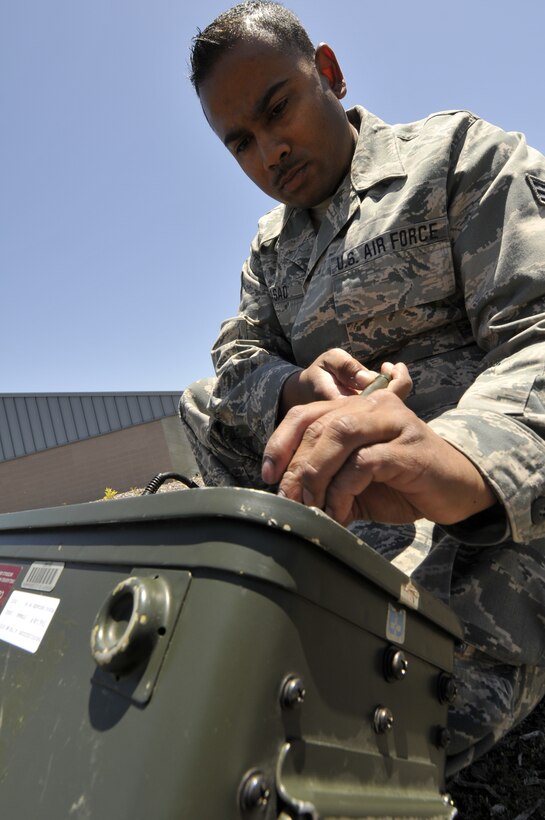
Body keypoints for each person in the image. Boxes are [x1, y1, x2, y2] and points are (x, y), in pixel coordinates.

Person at [180, 0, 545, 775]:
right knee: (206, 402)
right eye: (238, 142)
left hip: (475, 511)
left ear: (331, 75)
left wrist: (451, 456)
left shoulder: (453, 156)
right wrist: (289, 386)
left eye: (276, 108)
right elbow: (236, 351)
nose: (269, 152)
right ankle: (278, 585)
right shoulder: (272, 250)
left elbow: (536, 330)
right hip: (345, 516)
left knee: (384, 737)